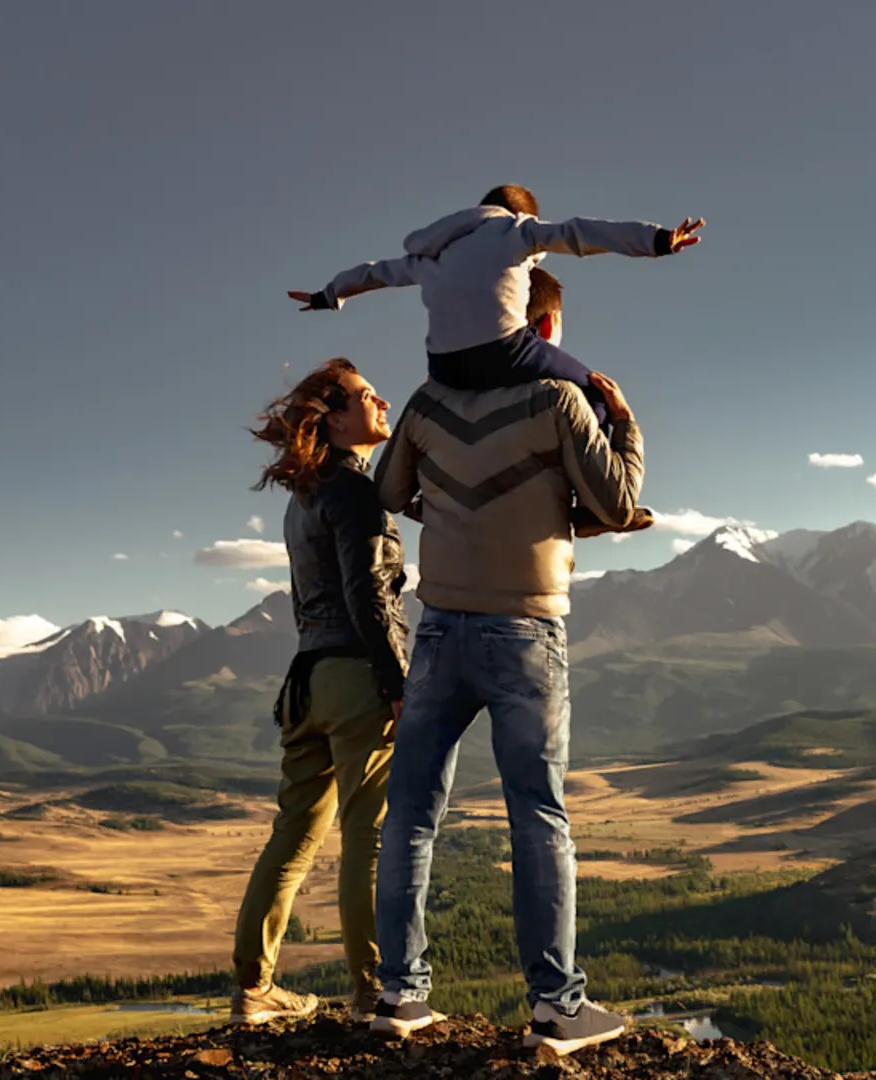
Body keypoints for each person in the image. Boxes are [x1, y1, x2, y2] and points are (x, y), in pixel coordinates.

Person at [366, 268, 641, 1055]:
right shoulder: (558, 401)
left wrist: (455, 504)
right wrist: (623, 422)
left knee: (412, 814)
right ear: (541, 328)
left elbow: (389, 490)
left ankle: (400, 995)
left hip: (440, 631)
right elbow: (618, 504)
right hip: (525, 629)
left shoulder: (423, 406)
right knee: (538, 815)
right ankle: (556, 1007)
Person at [285, 183, 699, 537]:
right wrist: (658, 240)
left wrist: (329, 295)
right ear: (521, 214)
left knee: (438, 420)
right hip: (504, 349)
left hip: (444, 366)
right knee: (595, 393)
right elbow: (580, 234)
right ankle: (592, 508)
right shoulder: (517, 230)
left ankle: (428, 504)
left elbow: (376, 273)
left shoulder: (437, 252)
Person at [229, 358, 409, 1027]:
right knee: (372, 834)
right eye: (367, 396)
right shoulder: (354, 492)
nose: (382, 400)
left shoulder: (303, 496)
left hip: (304, 680)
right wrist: (396, 683)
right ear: (335, 419)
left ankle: (255, 987)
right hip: (356, 677)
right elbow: (368, 593)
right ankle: (375, 989)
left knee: (296, 835)